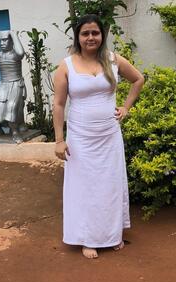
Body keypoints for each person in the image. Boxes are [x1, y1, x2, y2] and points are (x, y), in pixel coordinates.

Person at [52, 14, 144, 259]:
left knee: (110, 185)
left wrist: (126, 107)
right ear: (78, 37)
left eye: (95, 33)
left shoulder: (113, 60)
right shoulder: (66, 66)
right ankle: (88, 238)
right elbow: (58, 104)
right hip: (80, 138)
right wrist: (59, 140)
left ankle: (111, 235)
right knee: (85, 188)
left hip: (109, 136)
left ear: (102, 35)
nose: (90, 37)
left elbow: (138, 79)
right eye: (85, 33)